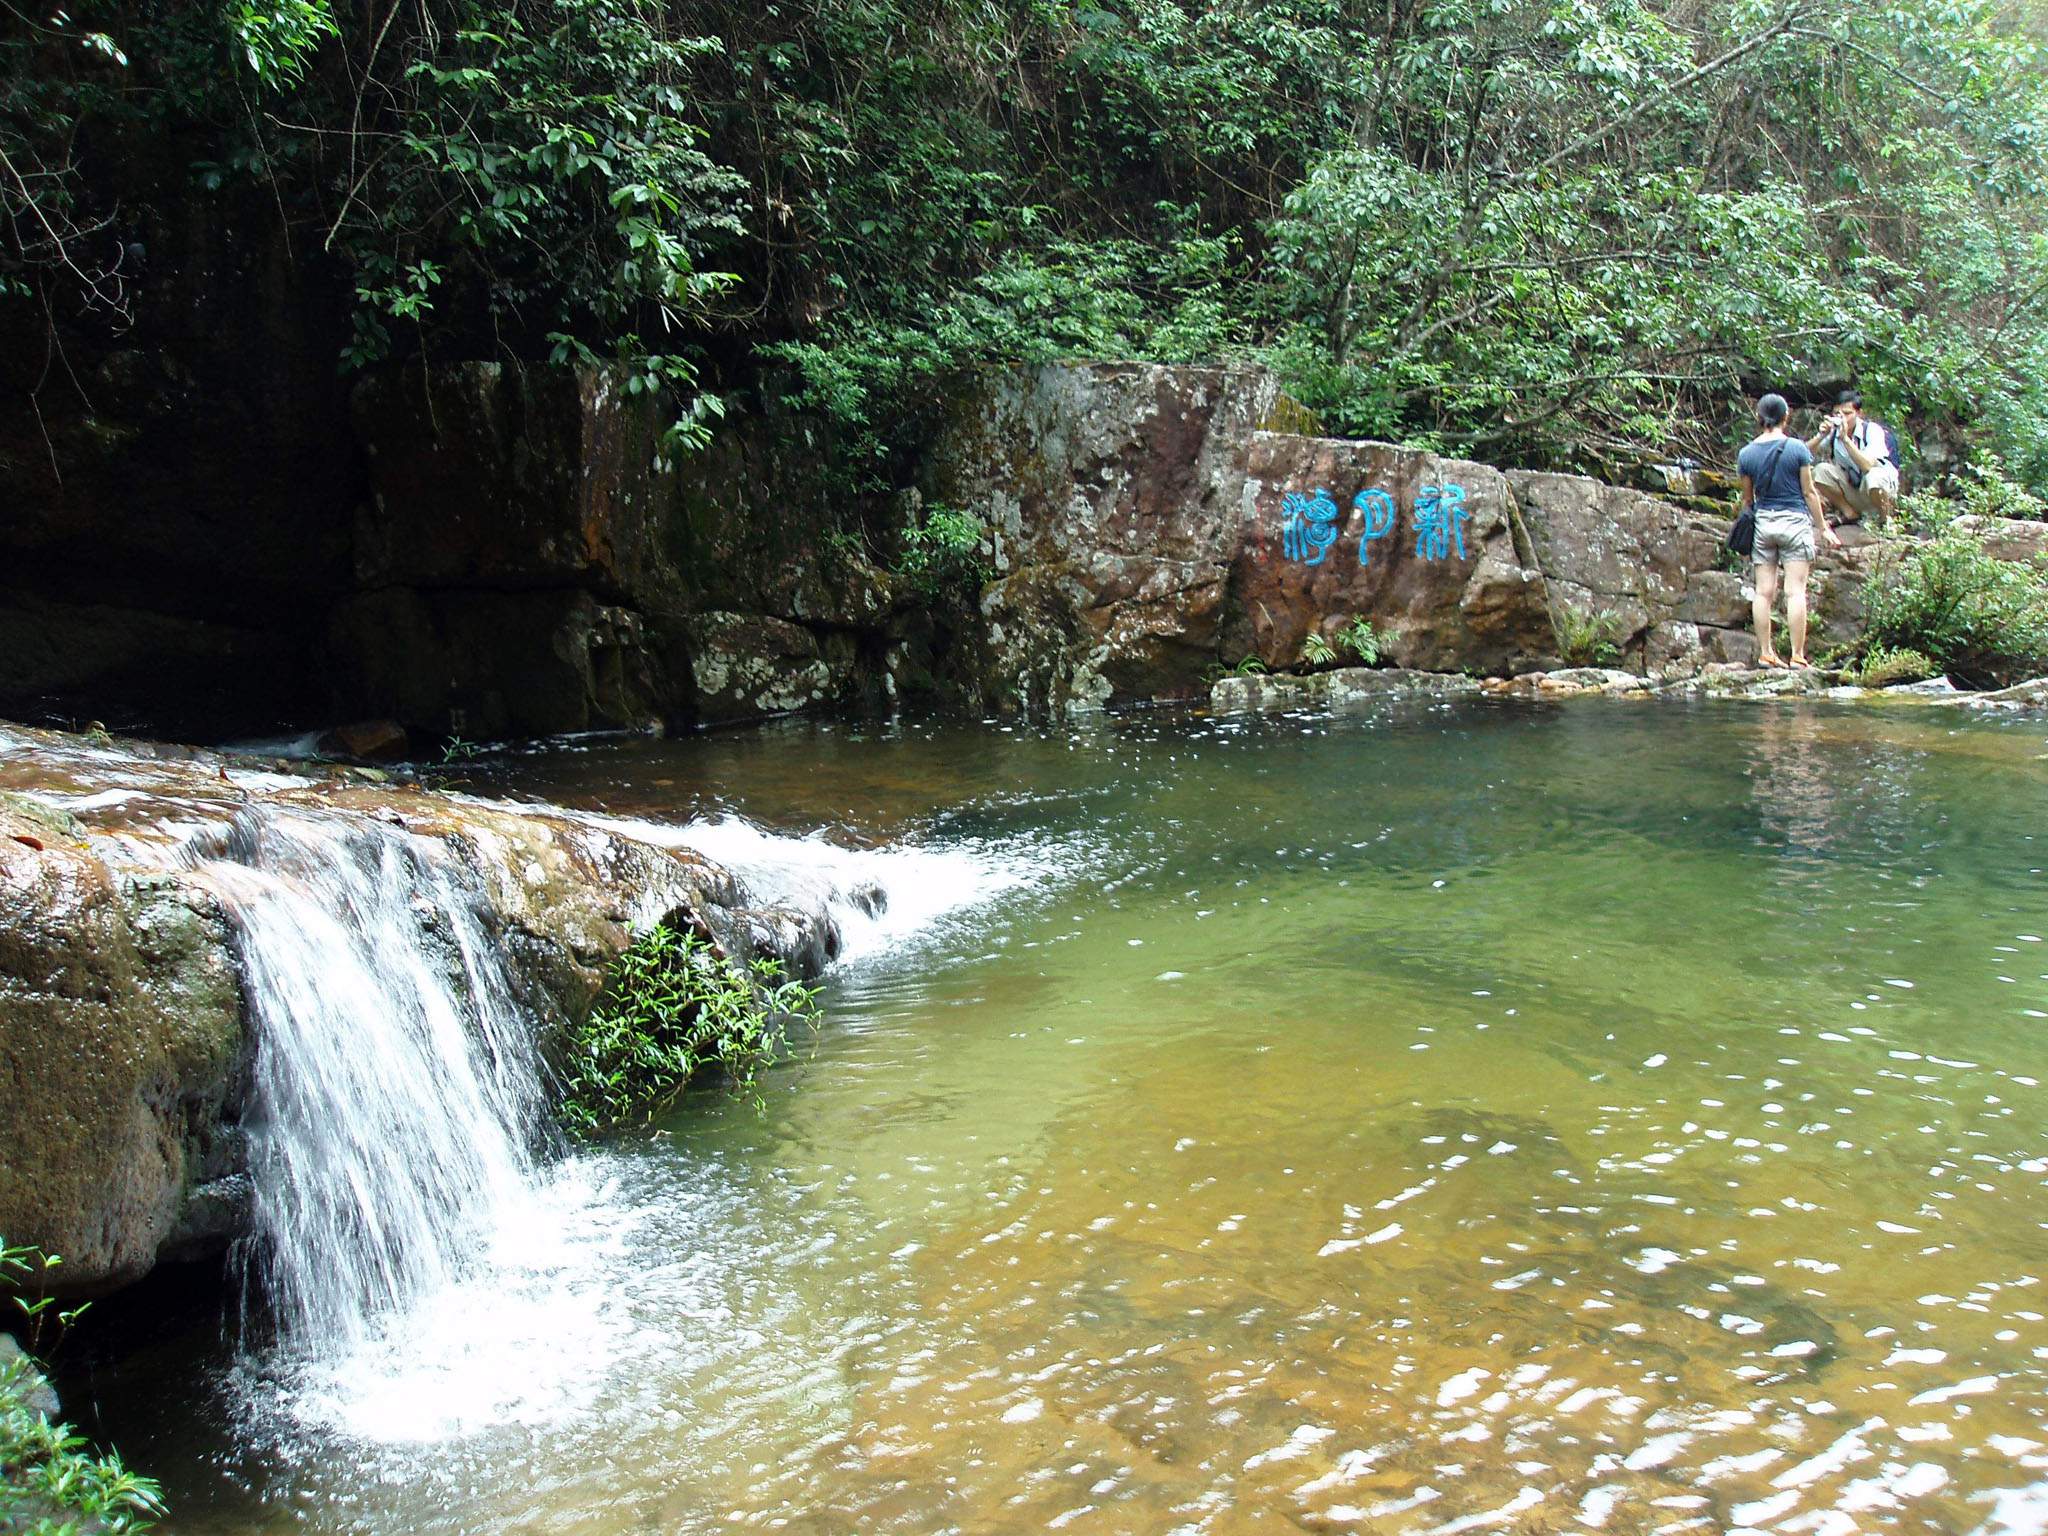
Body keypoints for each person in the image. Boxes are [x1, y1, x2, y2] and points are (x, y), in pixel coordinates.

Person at [1738, 393, 1841, 668]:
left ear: (1759, 418)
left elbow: (1747, 500)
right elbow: (1809, 492)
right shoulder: (1797, 449)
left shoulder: (1746, 454)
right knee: (1795, 591)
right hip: (1794, 522)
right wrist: (1823, 528)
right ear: (1786, 417)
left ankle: (1766, 653)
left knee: (1763, 592)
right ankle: (1797, 655)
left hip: (1764, 524)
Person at [1806, 389, 1898, 525]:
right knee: (1820, 471)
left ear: (1859, 413)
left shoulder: (1872, 430)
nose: (1842, 418)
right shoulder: (1834, 432)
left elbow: (1867, 466)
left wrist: (1846, 440)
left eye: (1847, 413)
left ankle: (1885, 521)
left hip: (1880, 491)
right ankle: (1850, 513)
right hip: (1855, 489)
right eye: (1837, 413)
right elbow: (1803, 454)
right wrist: (1820, 436)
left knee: (1874, 477)